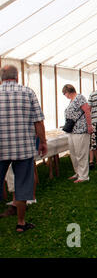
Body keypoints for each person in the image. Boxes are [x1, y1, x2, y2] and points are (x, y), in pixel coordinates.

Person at [0, 65, 47, 232]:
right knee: (23, 184)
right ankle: (21, 223)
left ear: (2, 77)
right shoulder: (28, 92)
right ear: (17, 76)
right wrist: (43, 141)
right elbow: (38, 121)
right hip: (23, 148)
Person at [62, 84, 93, 183]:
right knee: (74, 153)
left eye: (64, 93)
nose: (65, 95)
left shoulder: (80, 98)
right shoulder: (72, 100)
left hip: (81, 130)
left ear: (68, 91)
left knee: (81, 153)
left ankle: (84, 176)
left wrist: (89, 125)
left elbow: (87, 111)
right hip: (72, 131)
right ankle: (78, 172)